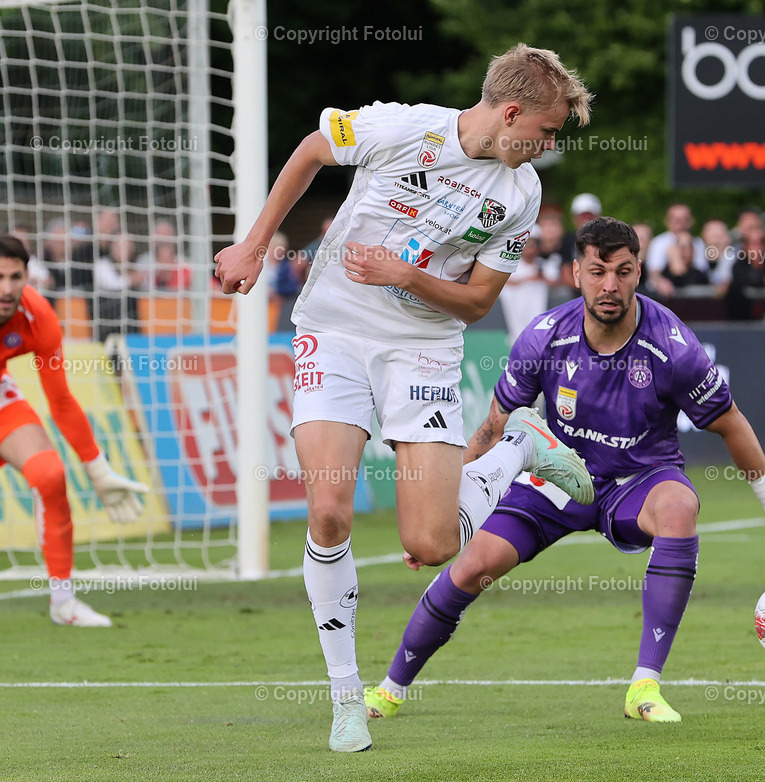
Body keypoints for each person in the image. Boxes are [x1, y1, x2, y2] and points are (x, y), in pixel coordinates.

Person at [214, 43, 595, 753]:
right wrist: (254, 245)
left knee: (431, 544)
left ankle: (517, 448)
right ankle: (345, 699)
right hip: (333, 330)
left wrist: (402, 274)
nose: (547, 147)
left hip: (422, 349)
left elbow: (478, 303)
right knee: (327, 509)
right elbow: (309, 151)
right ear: (509, 112)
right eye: (544, 132)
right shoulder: (401, 127)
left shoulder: (520, 195)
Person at [363, 217, 765, 723]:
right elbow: (490, 431)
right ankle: (390, 689)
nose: (609, 285)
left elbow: (732, 424)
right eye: (597, 272)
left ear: (639, 274)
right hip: (554, 475)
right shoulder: (544, 338)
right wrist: (440, 517)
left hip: (639, 480)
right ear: (576, 273)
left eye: (623, 271)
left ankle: (645, 686)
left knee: (679, 507)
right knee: (472, 566)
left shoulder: (674, 345)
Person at [0, 235, 148, 626]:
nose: (7, 289)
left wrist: (97, 469)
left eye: (16, 276)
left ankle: (63, 603)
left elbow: (61, 401)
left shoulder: (37, 315)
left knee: (50, 475)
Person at [498, 231, 551, 341]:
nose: (529, 249)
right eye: (526, 245)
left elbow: (555, 282)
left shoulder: (543, 264)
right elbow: (505, 282)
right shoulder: (511, 264)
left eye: (533, 245)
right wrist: (529, 278)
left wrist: (541, 277)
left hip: (538, 315)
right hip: (515, 313)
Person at [725, 227, 765, 320]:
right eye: (754, 243)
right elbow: (744, 280)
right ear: (746, 247)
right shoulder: (738, 266)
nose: (759, 248)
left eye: (762, 243)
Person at [646, 203, 706, 295]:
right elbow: (654, 272)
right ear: (667, 221)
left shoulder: (698, 242)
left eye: (684, 219)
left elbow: (702, 271)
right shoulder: (658, 242)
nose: (681, 223)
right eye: (677, 220)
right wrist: (660, 282)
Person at [558, 192, 602, 288]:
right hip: (575, 289)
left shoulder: (607, 239)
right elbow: (565, 270)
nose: (586, 219)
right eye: (582, 216)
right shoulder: (567, 240)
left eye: (589, 215)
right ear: (575, 218)